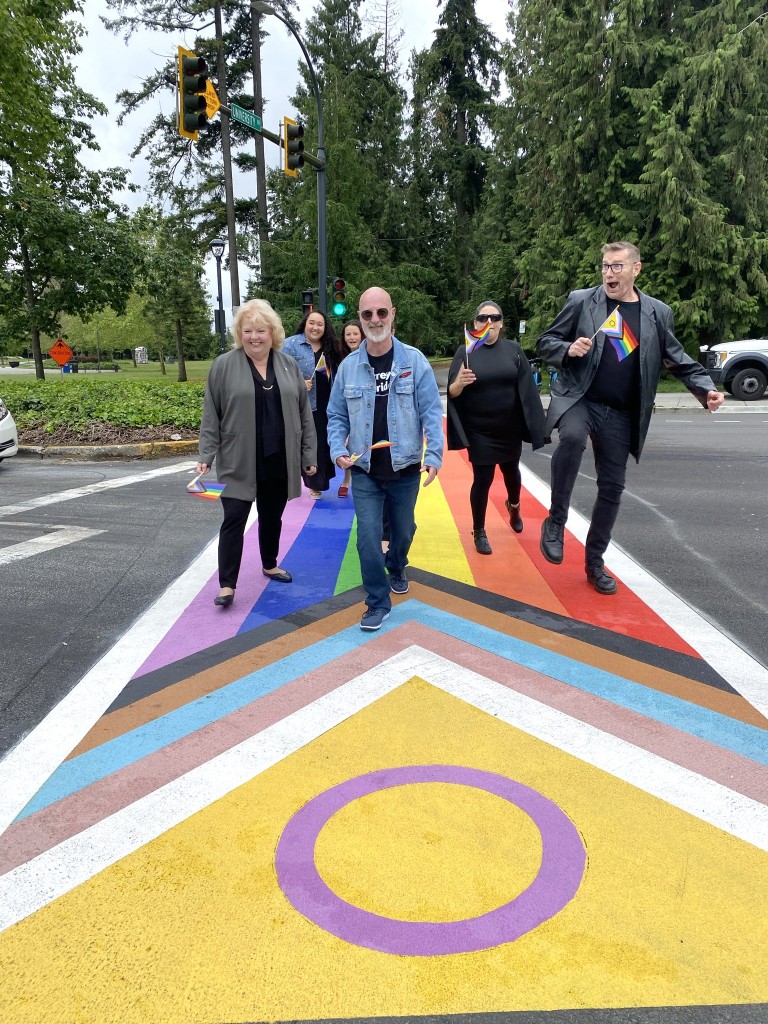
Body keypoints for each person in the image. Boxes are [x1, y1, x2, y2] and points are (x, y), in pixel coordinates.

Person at [537, 241, 724, 595]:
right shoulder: (581, 301)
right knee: (572, 439)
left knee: (612, 488)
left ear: (636, 269)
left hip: (621, 412)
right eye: (605, 266)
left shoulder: (657, 313)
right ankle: (556, 521)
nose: (609, 273)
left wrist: (706, 389)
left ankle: (594, 563)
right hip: (581, 399)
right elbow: (545, 341)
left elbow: (677, 358)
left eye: (617, 266)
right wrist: (567, 348)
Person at [327, 286, 444, 631]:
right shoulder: (348, 367)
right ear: (360, 318)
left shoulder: (414, 361)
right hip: (365, 470)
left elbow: (431, 411)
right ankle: (377, 602)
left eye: (381, 312)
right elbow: (336, 416)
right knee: (367, 539)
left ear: (392, 314)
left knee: (403, 531)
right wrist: (337, 450)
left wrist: (434, 454)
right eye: (367, 314)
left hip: (405, 467)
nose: (375, 320)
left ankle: (396, 563)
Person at [197, 300, 317, 607]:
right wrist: (206, 454)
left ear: (272, 333)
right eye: (247, 331)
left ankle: (269, 563)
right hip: (238, 459)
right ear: (240, 333)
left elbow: (304, 415)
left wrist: (308, 456)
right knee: (234, 519)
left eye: (260, 330)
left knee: (272, 517)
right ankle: (227, 585)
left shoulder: (288, 365)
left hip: (278, 458)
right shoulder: (224, 365)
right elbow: (211, 413)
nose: (254, 337)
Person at [447, 300, 548, 554]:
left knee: (511, 473)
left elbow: (528, 390)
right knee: (483, 479)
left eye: (494, 317)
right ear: (475, 323)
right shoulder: (465, 352)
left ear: (501, 323)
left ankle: (514, 506)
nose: (488, 322)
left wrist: (536, 424)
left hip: (508, 429)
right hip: (479, 431)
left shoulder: (513, 350)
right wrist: (459, 383)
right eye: (483, 318)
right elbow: (452, 392)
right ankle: (479, 531)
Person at [283, 310, 341, 498]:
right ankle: (313, 483)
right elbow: (278, 371)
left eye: (320, 324)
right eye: (312, 323)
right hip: (305, 403)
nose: (315, 327)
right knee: (310, 443)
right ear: (305, 324)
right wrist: (298, 382)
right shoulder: (290, 344)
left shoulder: (330, 345)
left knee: (324, 443)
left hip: (328, 402)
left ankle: (321, 480)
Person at [337, 319, 365, 497]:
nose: (352, 337)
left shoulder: (370, 355)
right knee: (346, 444)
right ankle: (346, 479)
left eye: (355, 333)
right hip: (345, 404)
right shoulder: (340, 358)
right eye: (348, 334)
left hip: (362, 405)